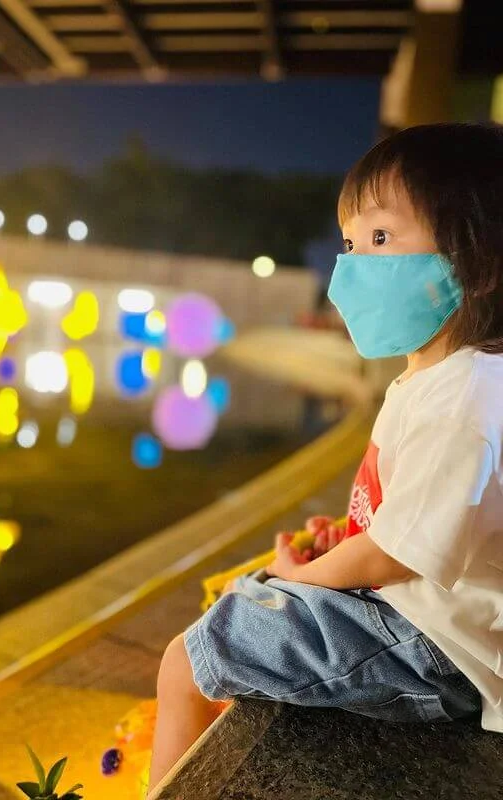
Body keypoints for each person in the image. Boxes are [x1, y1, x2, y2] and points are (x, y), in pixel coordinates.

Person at [146, 121, 503, 795]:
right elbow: (408, 526)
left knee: (190, 657)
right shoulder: (442, 377)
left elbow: (393, 555)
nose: (355, 266)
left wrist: (302, 580)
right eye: (349, 243)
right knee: (245, 597)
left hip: (441, 648)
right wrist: (340, 544)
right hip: (426, 618)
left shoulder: (465, 399)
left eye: (380, 238)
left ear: (477, 267)